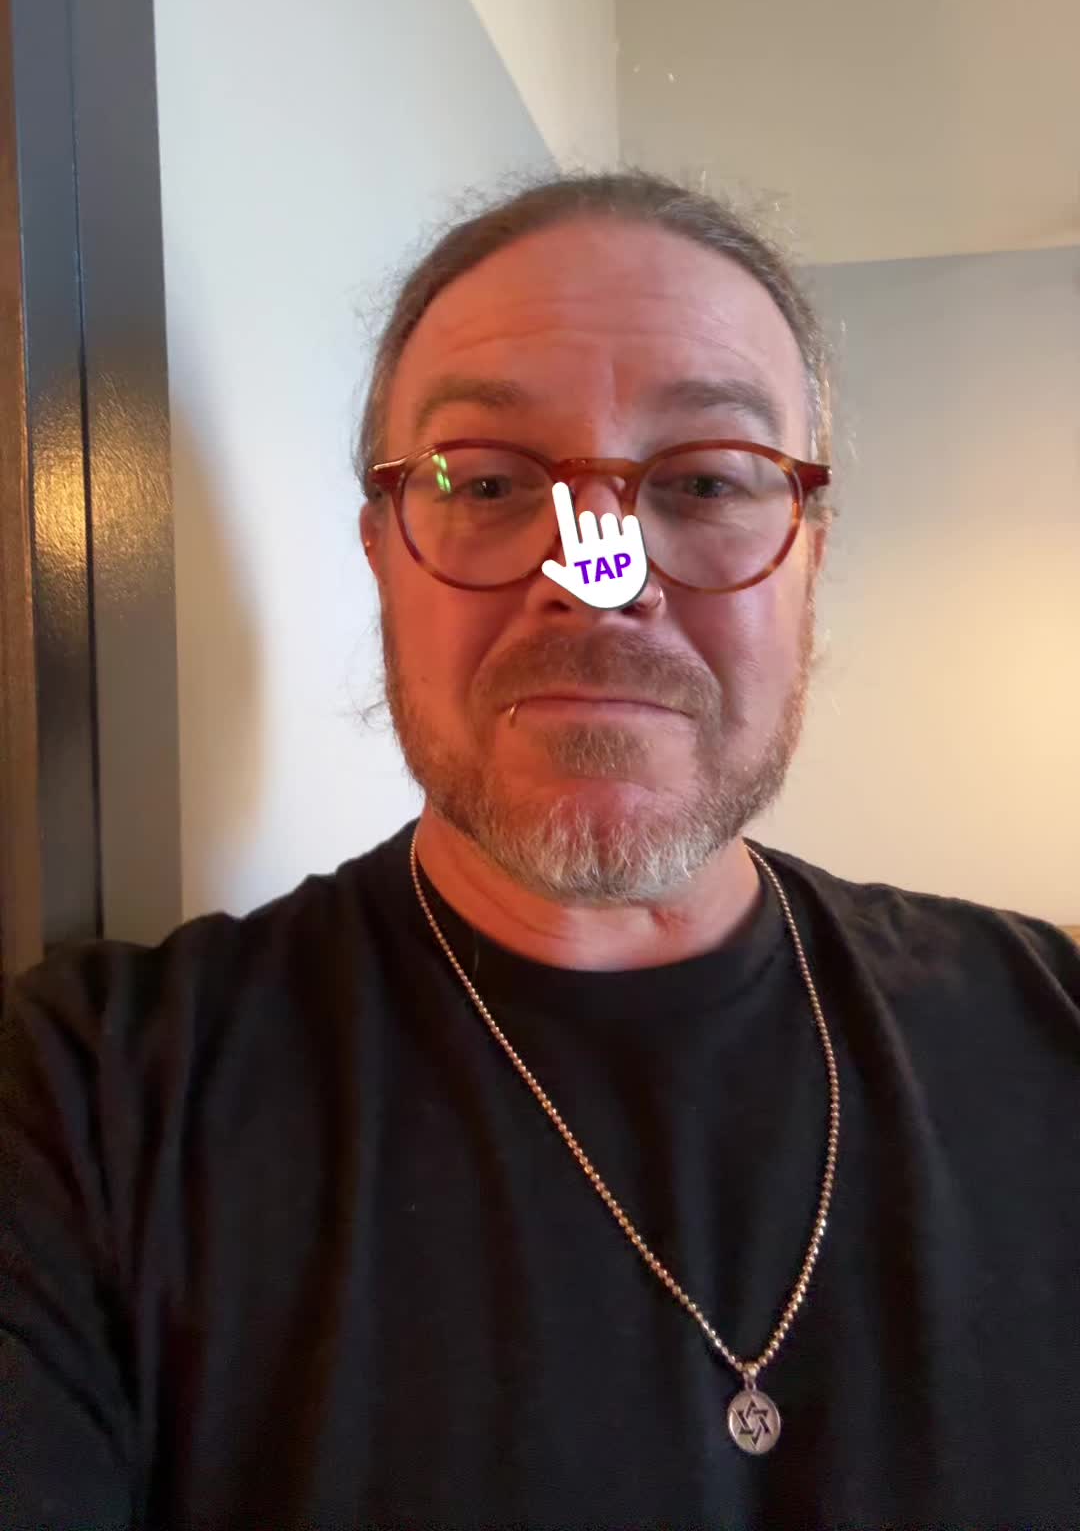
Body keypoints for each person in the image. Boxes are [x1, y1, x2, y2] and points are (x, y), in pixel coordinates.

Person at [2, 170, 1078, 1531]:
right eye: (492, 482)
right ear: (381, 551)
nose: (597, 579)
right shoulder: (90, 1105)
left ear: (810, 552)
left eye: (704, 480)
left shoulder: (1053, 1024)